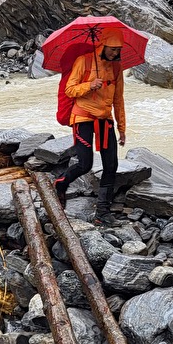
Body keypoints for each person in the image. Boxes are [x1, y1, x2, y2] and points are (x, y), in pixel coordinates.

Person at [55, 30, 127, 222]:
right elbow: (70, 90)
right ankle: (61, 184)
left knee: (111, 165)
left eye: (118, 50)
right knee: (85, 165)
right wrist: (89, 85)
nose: (115, 54)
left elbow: (118, 100)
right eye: (112, 50)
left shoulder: (117, 68)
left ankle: (102, 211)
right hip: (83, 117)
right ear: (103, 46)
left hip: (105, 119)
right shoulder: (84, 61)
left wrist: (122, 128)